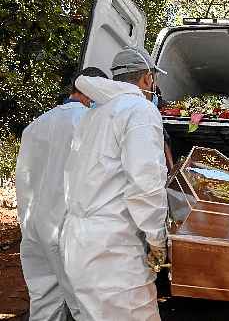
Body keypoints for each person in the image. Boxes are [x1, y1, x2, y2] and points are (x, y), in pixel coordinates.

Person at [60, 46, 169, 321]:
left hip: (78, 241)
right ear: (147, 79)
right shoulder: (139, 110)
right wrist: (158, 239)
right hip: (112, 251)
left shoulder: (95, 113)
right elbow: (145, 183)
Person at [15, 67, 108, 320]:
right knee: (86, 307)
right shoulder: (90, 125)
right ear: (92, 91)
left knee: (45, 303)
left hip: (34, 227)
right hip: (67, 231)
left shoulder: (37, 124)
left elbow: (25, 178)